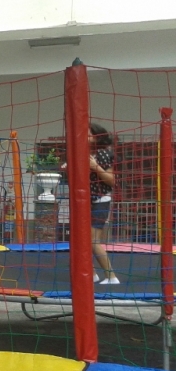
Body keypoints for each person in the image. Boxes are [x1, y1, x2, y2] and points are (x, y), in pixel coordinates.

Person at [61, 122, 119, 285]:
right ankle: (91, 274)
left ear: (96, 137)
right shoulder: (81, 153)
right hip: (84, 202)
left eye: (88, 134)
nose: (83, 136)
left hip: (100, 200)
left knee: (92, 241)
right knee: (81, 240)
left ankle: (111, 276)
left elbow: (112, 181)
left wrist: (95, 167)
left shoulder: (103, 154)